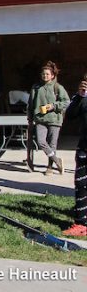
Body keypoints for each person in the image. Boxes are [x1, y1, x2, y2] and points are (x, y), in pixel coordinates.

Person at [27, 61, 70, 174]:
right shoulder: (36, 88)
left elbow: (66, 102)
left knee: (52, 144)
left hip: (54, 120)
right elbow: (30, 105)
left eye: (47, 74)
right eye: (43, 74)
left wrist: (53, 106)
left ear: (52, 75)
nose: (45, 76)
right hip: (40, 120)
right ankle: (57, 160)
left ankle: (50, 167)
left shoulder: (57, 87)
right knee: (41, 142)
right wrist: (30, 119)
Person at [63, 75, 87, 236]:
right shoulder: (81, 97)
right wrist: (80, 96)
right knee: (81, 184)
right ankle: (81, 223)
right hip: (84, 147)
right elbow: (70, 116)